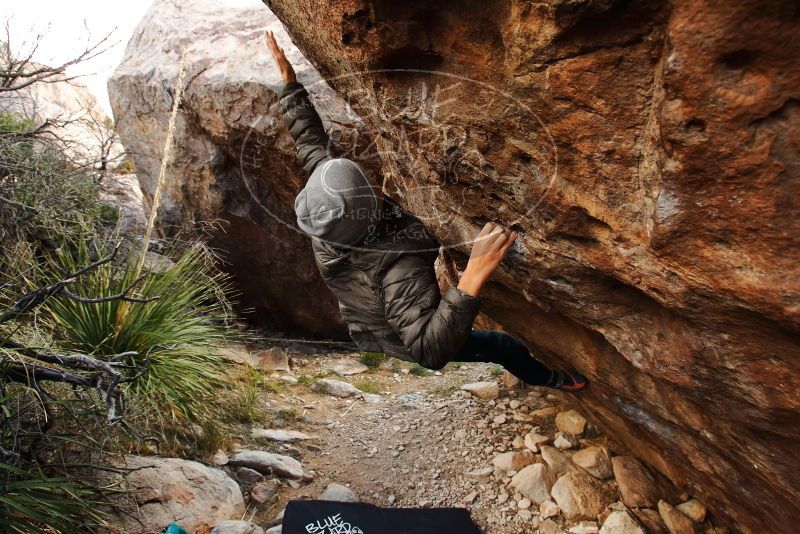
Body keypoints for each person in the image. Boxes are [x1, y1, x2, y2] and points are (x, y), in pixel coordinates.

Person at [264, 31, 586, 391]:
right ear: (368, 210)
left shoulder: (323, 210)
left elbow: (310, 144)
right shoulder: (396, 266)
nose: (371, 178)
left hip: (369, 317)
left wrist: (290, 84)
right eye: (368, 186)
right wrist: (472, 276)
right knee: (501, 346)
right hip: (401, 337)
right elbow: (428, 351)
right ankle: (552, 379)